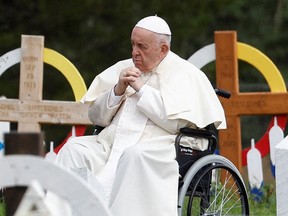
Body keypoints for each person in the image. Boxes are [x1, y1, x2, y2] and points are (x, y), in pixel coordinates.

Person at [55, 15, 226, 216]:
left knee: (133, 155)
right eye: (133, 44)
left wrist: (142, 90)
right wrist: (117, 90)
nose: (134, 52)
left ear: (163, 49)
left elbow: (176, 124)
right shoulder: (123, 67)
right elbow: (97, 118)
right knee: (73, 149)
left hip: (162, 146)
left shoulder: (186, 74)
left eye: (142, 47)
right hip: (110, 144)